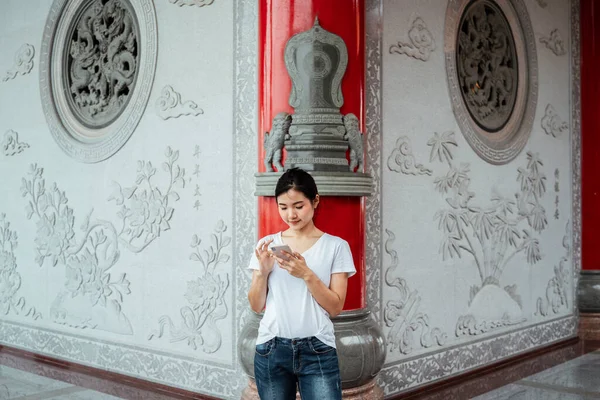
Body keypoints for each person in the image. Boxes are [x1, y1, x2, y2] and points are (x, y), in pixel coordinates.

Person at [247, 167, 356, 400]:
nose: (290, 215)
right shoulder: (268, 245)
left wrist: (306, 274)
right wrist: (262, 273)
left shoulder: (336, 246)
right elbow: (256, 306)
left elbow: (335, 307)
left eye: (298, 206)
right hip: (271, 348)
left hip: (317, 349)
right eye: (283, 207)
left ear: (315, 200)